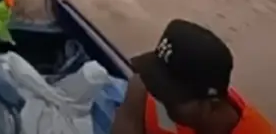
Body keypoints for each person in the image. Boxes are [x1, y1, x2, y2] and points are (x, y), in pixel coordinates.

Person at [110, 19, 273, 134]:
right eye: (155, 80)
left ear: (211, 105)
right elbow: (138, 86)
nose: (156, 95)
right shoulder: (144, 89)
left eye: (169, 92)